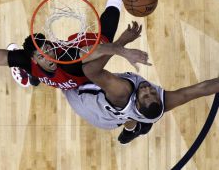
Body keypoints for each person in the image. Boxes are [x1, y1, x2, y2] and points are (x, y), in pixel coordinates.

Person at [63, 32, 219, 144]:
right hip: (116, 118)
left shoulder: (122, 92)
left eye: (145, 95)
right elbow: (201, 89)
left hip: (83, 101)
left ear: (136, 103)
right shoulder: (160, 104)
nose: (147, 89)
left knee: (64, 65)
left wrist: (120, 44)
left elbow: (90, 71)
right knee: (128, 117)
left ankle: (37, 76)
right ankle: (132, 130)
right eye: (153, 93)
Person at [4, 0, 139, 89]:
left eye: (47, 50)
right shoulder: (74, 58)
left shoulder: (69, 59)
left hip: (72, 79)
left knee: (103, 40)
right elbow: (101, 48)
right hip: (71, 72)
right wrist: (122, 49)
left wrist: (122, 49)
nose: (47, 54)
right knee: (104, 39)